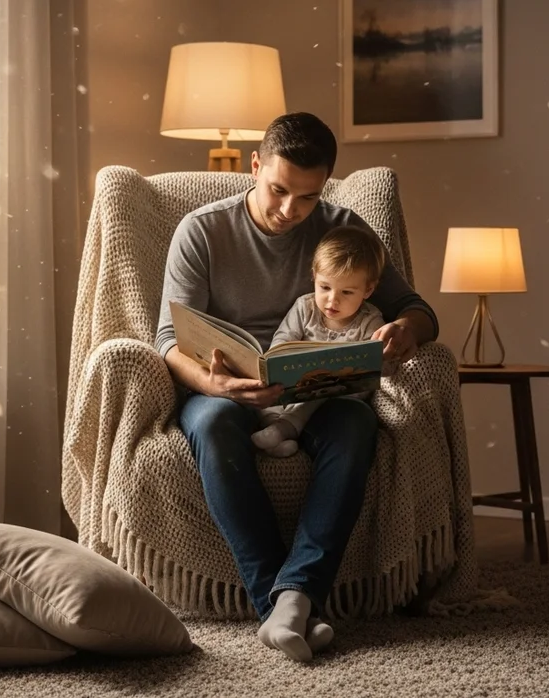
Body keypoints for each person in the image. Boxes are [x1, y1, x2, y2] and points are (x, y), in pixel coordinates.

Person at [153, 112, 439, 662]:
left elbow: (417, 309)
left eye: (308, 197)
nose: (290, 210)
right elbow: (168, 339)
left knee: (356, 424)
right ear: (254, 166)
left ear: (325, 185)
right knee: (213, 426)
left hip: (321, 395)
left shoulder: (342, 227)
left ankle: (294, 599)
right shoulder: (202, 230)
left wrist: (405, 330)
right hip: (222, 390)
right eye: (279, 190)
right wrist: (215, 383)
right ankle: (284, 604)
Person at [251, 225, 393, 459]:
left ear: (368, 289)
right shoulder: (304, 307)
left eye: (347, 292)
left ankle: (281, 431)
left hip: (337, 397)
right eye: (325, 287)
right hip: (296, 388)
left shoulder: (370, 321)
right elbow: (282, 340)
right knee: (265, 398)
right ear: (314, 277)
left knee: (321, 393)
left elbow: (378, 365)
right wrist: (277, 364)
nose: (332, 300)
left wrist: (384, 358)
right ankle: (278, 438)